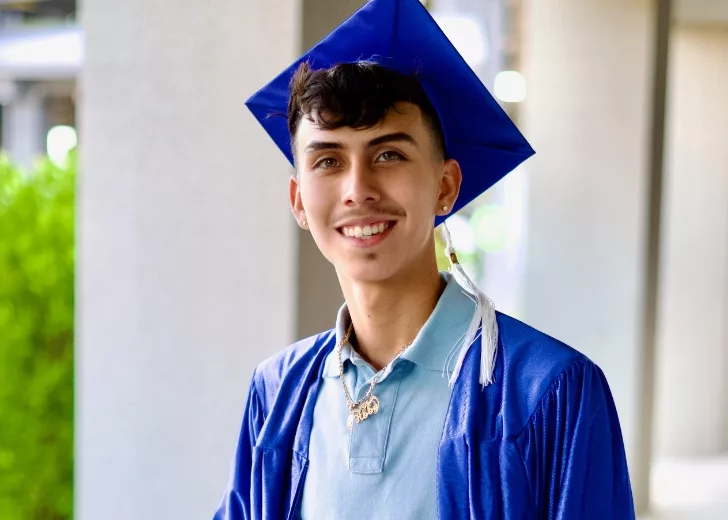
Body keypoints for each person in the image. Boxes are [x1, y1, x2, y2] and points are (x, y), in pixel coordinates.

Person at [214, 0, 634, 518]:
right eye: (328, 160)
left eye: (389, 154)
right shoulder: (278, 394)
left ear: (446, 186)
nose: (357, 189)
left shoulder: (548, 392)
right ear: (299, 201)